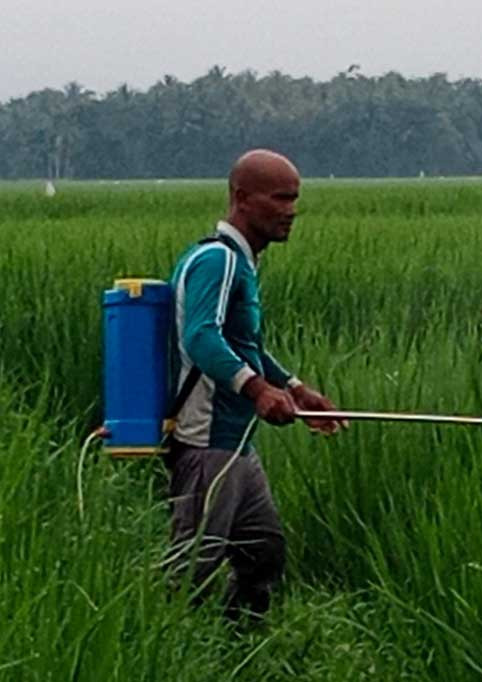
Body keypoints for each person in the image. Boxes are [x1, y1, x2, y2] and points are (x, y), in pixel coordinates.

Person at [164, 148, 344, 621]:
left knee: (262, 557)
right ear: (242, 198)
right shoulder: (218, 261)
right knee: (190, 574)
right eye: (280, 199)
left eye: (295, 199)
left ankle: (238, 653)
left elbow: (242, 344)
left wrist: (295, 388)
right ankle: (164, 650)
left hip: (237, 444)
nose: (291, 211)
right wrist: (259, 391)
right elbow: (200, 336)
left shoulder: (243, 264)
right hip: (208, 444)